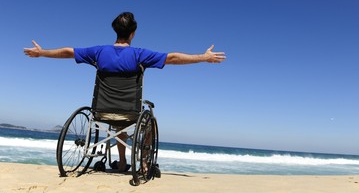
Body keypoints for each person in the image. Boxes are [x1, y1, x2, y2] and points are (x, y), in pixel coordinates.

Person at [24, 12, 226, 172]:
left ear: (116, 31)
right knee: (144, 121)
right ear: (133, 33)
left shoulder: (99, 52)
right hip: (130, 112)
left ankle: (121, 163)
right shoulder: (139, 55)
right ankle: (144, 164)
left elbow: (68, 52)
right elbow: (172, 58)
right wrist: (203, 57)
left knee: (117, 124)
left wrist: (42, 53)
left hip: (101, 112)